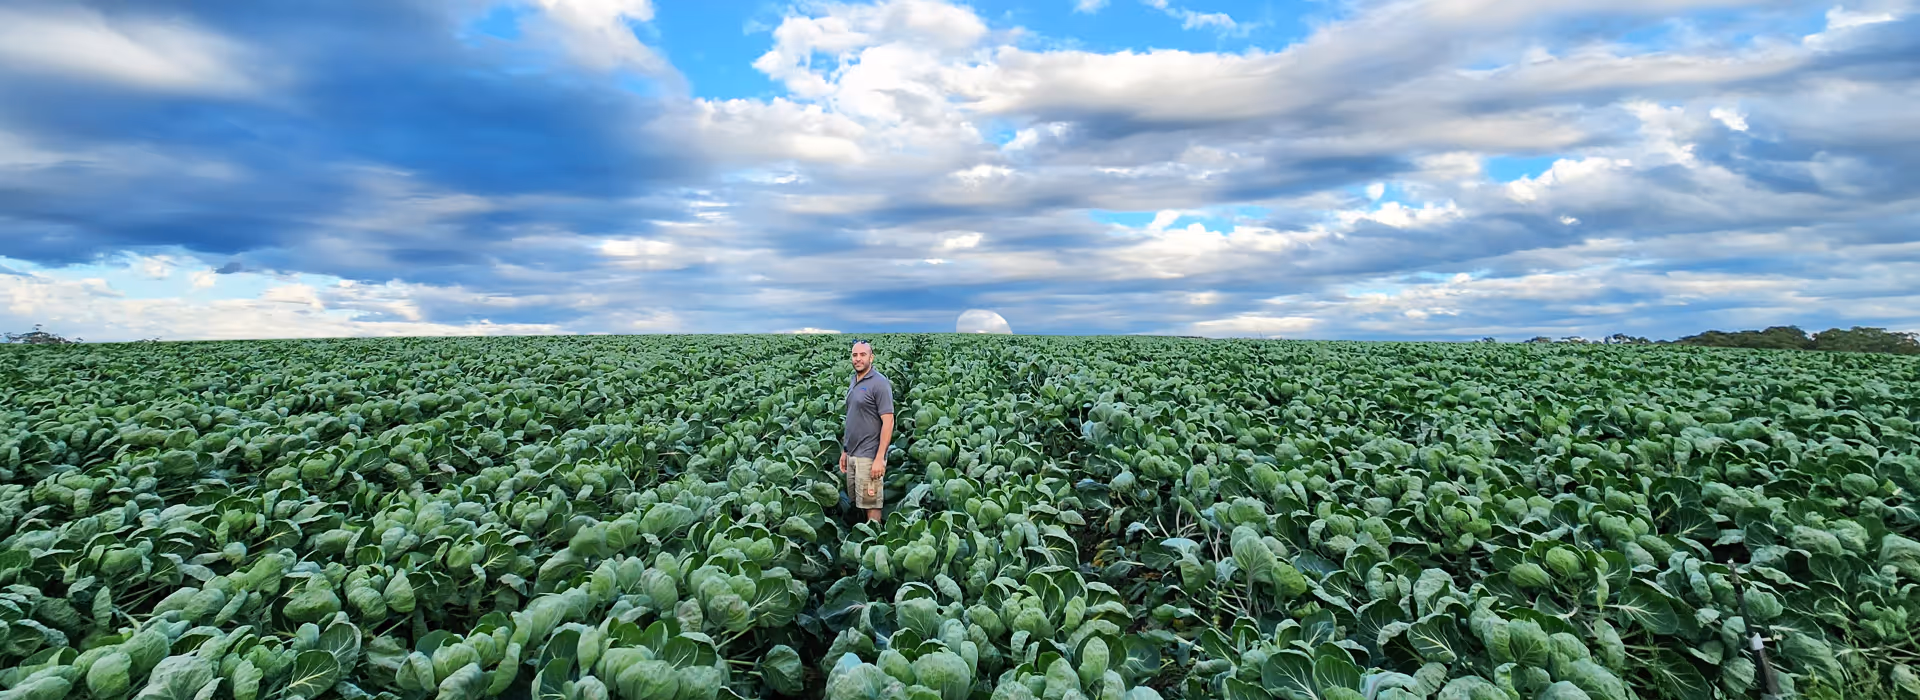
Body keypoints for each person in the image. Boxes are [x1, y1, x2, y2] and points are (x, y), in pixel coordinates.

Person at [838, 338, 895, 522]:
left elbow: (888, 421)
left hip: (869, 454)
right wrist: (845, 450)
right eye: (855, 355)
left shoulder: (879, 383)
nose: (858, 359)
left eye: (863, 354)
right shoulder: (854, 380)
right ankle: (864, 538)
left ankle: (874, 543)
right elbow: (852, 417)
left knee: (871, 504)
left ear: (872, 357)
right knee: (859, 501)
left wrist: (879, 458)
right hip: (853, 452)